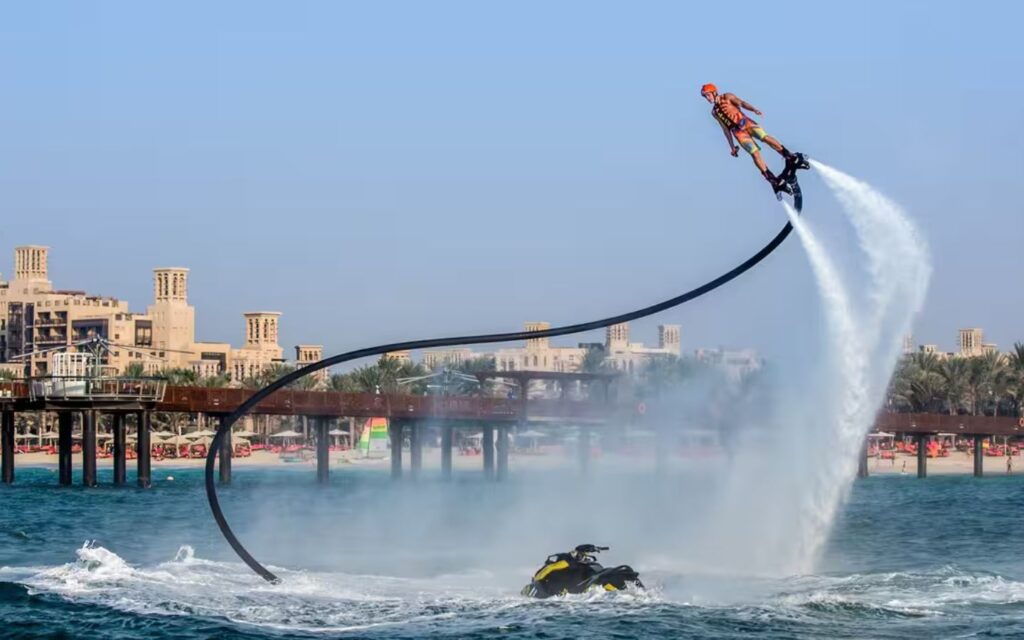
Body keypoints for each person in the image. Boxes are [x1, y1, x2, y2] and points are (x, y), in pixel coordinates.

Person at [701, 83, 802, 192]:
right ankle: (772, 179)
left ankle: (788, 156)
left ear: (714, 92)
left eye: (708, 95)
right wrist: (732, 147)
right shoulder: (714, 112)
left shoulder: (727, 97)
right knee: (755, 153)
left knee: (765, 137)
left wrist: (753, 109)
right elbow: (725, 130)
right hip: (738, 133)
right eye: (705, 96)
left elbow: (741, 103)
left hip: (746, 122)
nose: (707, 98)